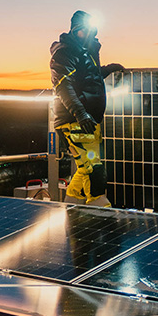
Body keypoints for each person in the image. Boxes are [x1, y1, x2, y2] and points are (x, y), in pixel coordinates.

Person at [51, 10, 124, 206]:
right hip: (74, 120)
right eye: (83, 30)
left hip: (86, 119)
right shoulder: (65, 52)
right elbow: (63, 86)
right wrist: (80, 113)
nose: (88, 34)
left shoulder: (84, 51)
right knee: (93, 168)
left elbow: (87, 76)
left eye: (91, 30)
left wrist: (106, 70)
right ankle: (99, 207)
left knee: (85, 166)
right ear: (75, 30)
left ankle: (71, 204)